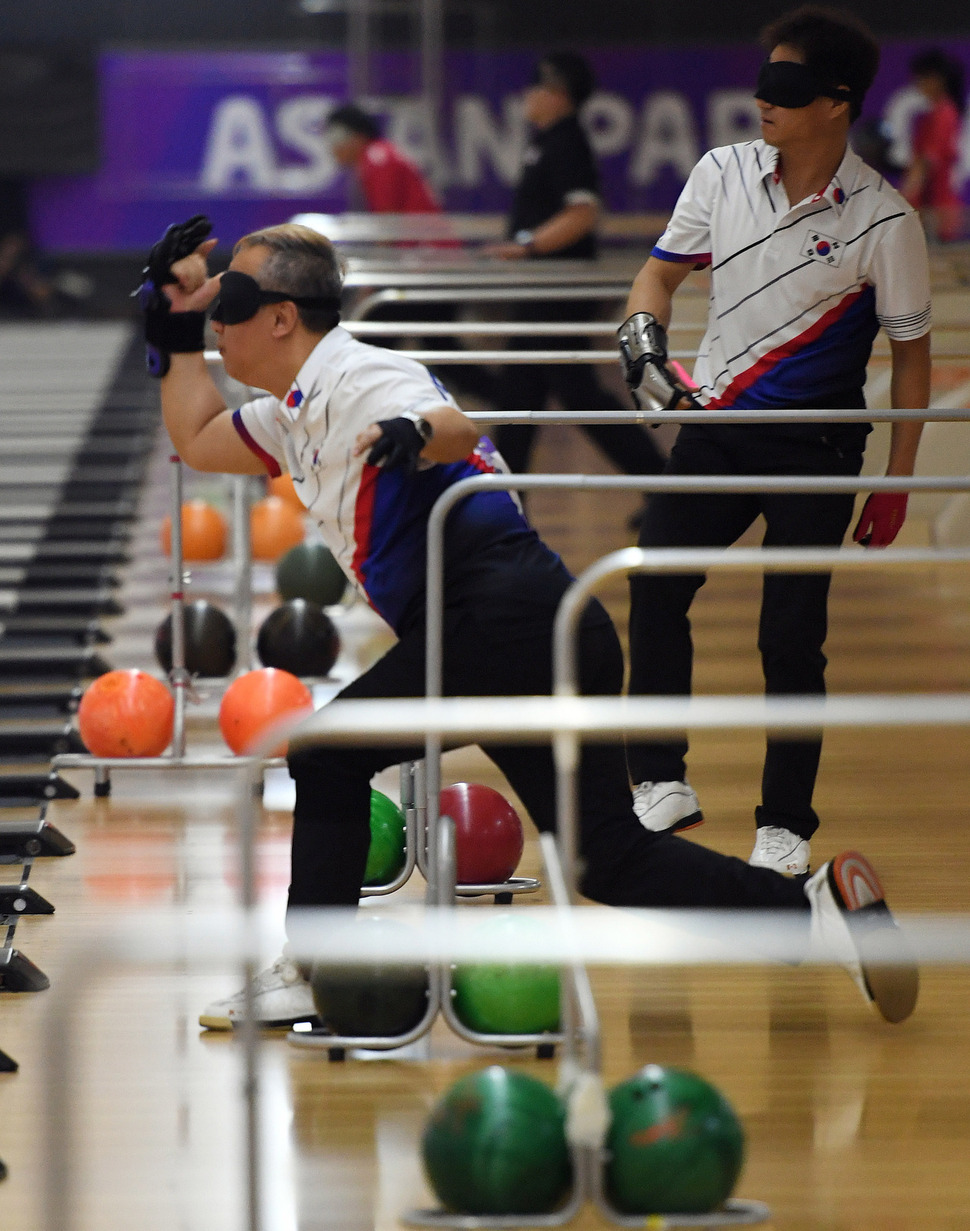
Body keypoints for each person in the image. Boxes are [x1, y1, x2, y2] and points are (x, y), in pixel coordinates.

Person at [136, 214, 917, 1031]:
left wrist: (413, 436)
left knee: (326, 755)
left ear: (283, 316)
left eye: (231, 303)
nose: (219, 319)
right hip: (549, 625)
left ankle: (310, 969)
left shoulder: (361, 375)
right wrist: (174, 326)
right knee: (605, 858)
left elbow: (454, 426)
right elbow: (193, 436)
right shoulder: (291, 415)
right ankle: (819, 908)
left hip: (496, 616)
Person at [618, 7, 931, 877]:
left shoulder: (885, 221)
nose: (763, 99)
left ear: (836, 103)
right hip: (717, 432)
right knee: (655, 587)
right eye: (762, 80)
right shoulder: (720, 172)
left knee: (791, 635)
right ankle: (659, 778)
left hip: (818, 450)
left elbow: (911, 357)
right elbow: (660, 272)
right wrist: (643, 334)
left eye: (785, 88)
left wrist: (896, 482)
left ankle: (785, 824)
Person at [485, 52, 666, 487]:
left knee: (572, 391)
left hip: (555, 292)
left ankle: (664, 483)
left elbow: (582, 213)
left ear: (559, 94)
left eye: (537, 87)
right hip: (540, 292)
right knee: (519, 394)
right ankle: (504, 497)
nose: (527, 95)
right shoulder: (547, 140)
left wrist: (526, 247)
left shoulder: (566, 142)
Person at [325, 103, 443, 215]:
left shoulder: (378, 160)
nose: (333, 149)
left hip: (424, 235)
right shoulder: (376, 156)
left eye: (337, 140)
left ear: (359, 137)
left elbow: (388, 220)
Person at [901, 49, 965, 244]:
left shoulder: (944, 114)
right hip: (930, 205)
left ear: (936, 80)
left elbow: (927, 161)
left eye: (920, 79)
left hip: (936, 210)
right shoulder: (933, 115)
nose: (917, 85)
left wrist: (905, 197)